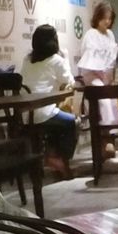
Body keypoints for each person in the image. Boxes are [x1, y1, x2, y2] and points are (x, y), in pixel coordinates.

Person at [20, 24, 77, 180]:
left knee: (57, 122)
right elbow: (70, 82)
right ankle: (59, 159)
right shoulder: (56, 60)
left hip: (24, 116)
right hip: (44, 113)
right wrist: (65, 59)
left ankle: (52, 155)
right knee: (72, 122)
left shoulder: (27, 60)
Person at [77, 1, 118, 158]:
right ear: (97, 17)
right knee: (104, 103)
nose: (107, 21)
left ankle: (108, 141)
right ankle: (103, 142)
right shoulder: (91, 35)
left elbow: (111, 57)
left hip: (106, 76)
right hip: (93, 77)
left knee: (112, 103)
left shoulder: (110, 35)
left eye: (110, 18)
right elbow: (90, 59)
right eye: (104, 18)